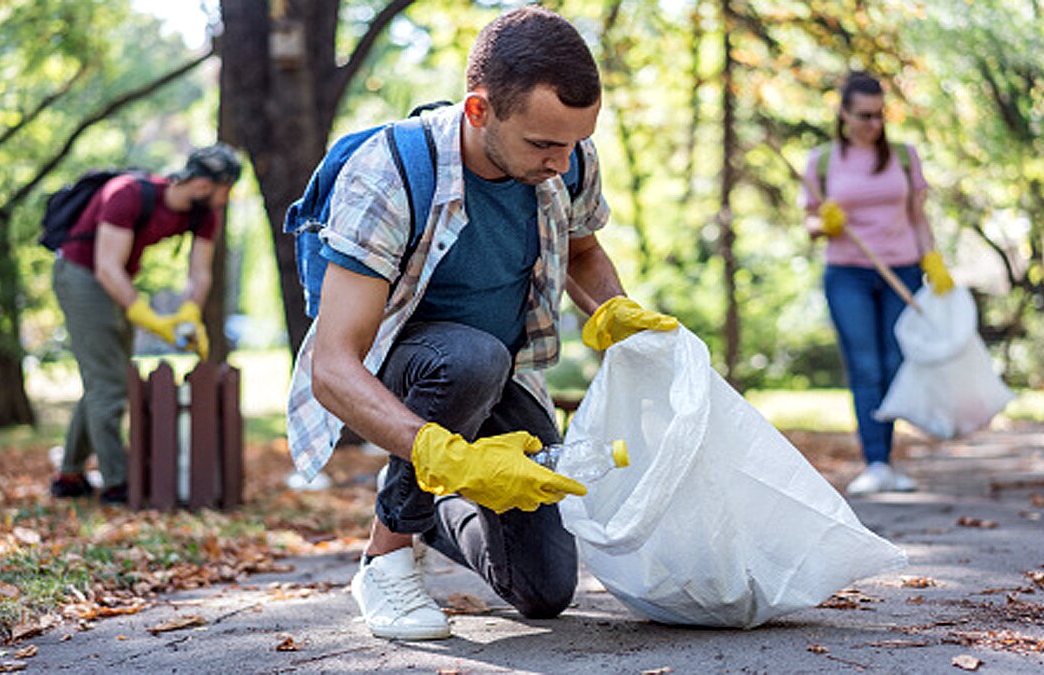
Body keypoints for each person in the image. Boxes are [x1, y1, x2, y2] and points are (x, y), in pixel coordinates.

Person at [286, 6, 676, 640]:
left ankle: (431, 505)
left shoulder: (568, 156)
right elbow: (333, 366)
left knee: (545, 590)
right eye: (544, 144)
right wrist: (441, 453)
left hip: (506, 371)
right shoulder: (390, 173)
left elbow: (581, 246)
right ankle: (385, 557)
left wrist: (613, 309)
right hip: (410, 367)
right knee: (469, 359)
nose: (562, 160)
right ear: (479, 111)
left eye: (574, 141)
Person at [50, 144, 242, 505]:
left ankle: (69, 475)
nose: (226, 198)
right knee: (110, 383)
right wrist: (148, 318)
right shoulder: (127, 195)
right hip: (81, 275)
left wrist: (188, 313)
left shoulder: (204, 215)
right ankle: (117, 482)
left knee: (104, 377)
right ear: (204, 184)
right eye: (226, 189)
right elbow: (106, 266)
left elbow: (199, 273)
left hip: (114, 279)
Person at [801, 72, 954, 495]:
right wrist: (824, 224)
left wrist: (934, 261)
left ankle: (887, 460)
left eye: (879, 115)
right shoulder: (823, 161)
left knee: (894, 365)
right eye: (864, 115)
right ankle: (877, 463)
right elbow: (810, 221)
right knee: (866, 367)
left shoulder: (904, 157)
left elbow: (918, 216)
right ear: (844, 114)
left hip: (902, 272)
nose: (873, 124)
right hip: (847, 274)